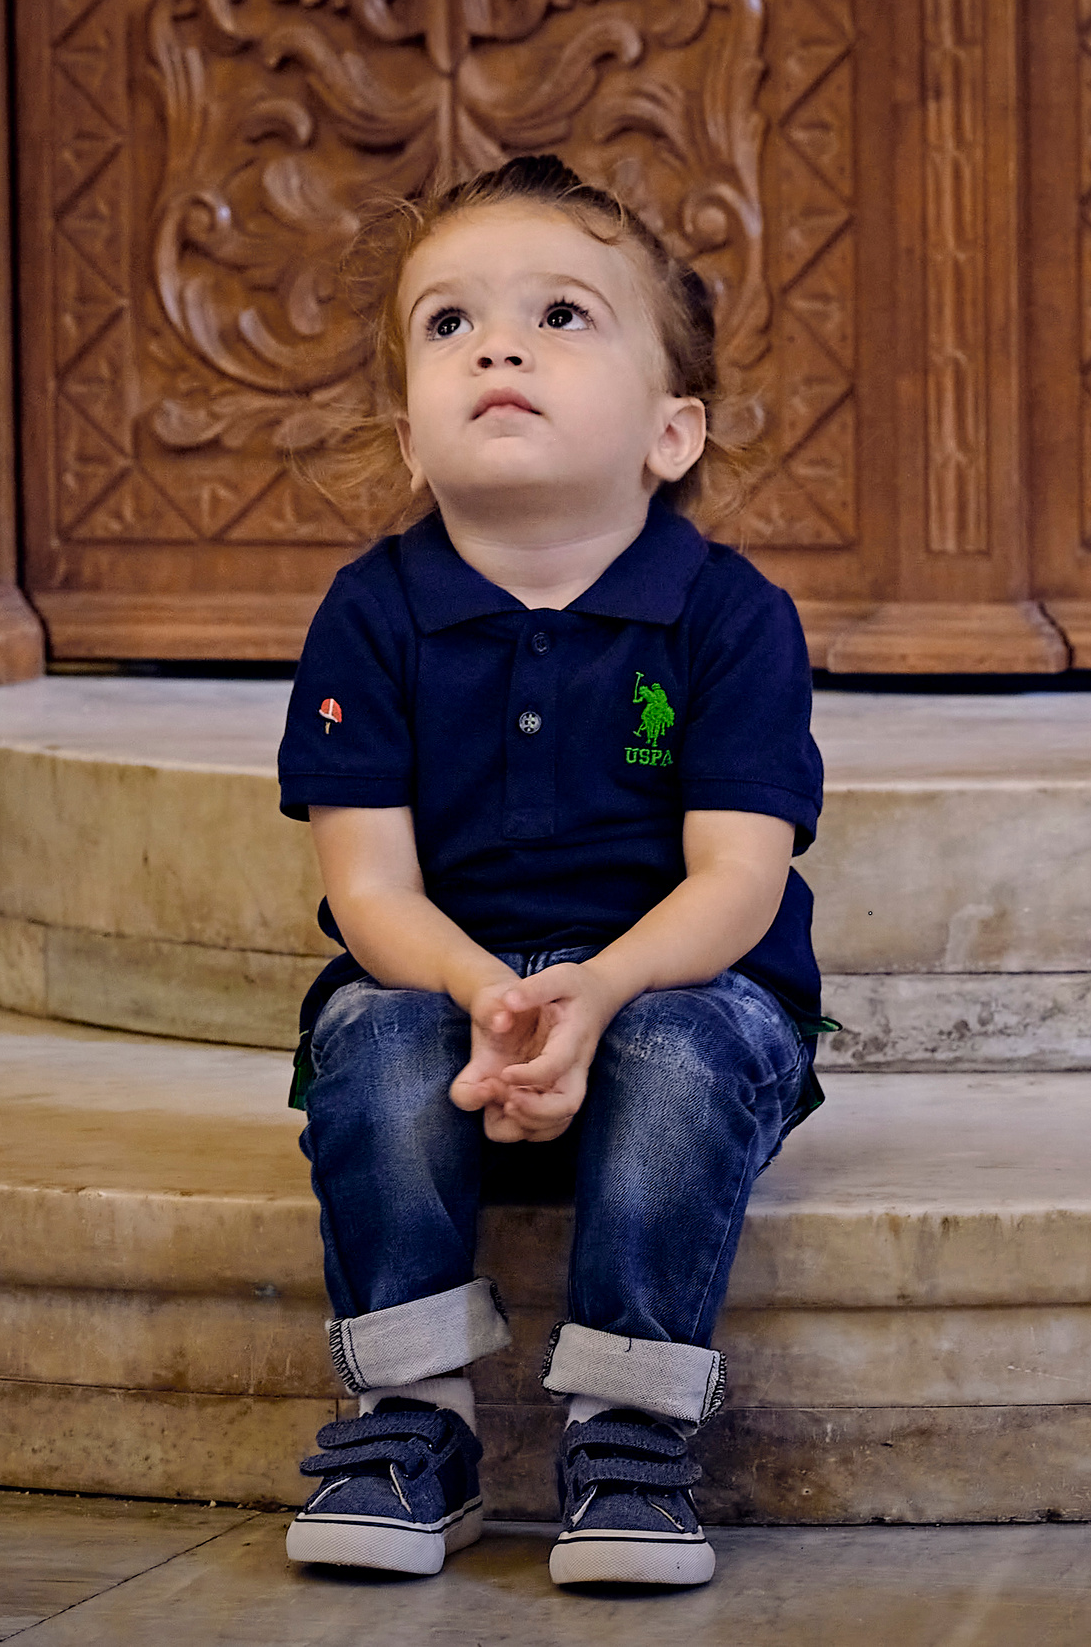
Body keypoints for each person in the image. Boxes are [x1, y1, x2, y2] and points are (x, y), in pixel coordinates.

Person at [274, 153, 827, 1590]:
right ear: (409, 433)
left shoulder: (729, 616)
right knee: (368, 1041)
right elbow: (372, 893)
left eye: (562, 316)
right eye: (448, 325)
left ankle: (634, 1441)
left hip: (677, 980)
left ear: (671, 429)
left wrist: (598, 986)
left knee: (693, 1045)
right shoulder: (370, 614)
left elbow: (737, 884)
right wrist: (485, 992)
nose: (498, 346)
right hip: (450, 995)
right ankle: (410, 1423)